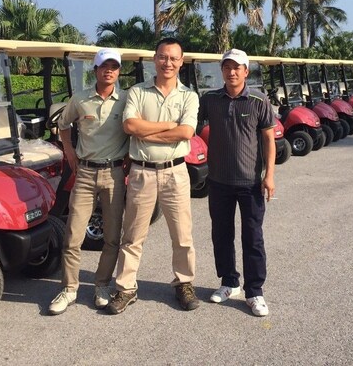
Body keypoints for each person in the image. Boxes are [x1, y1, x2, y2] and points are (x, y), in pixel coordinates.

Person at [106, 37, 200, 314]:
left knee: (182, 235)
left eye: (173, 58)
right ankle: (126, 288)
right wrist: (168, 127)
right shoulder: (137, 91)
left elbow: (186, 132)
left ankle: (184, 283)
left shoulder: (189, 96)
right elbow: (129, 126)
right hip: (141, 172)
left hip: (176, 172)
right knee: (133, 235)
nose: (167, 62)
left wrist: (148, 132)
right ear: (154, 59)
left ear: (181, 62)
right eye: (162, 56)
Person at [48, 48, 128, 315]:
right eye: (104, 66)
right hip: (85, 174)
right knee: (73, 235)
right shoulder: (80, 99)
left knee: (112, 236)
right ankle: (70, 289)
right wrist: (69, 151)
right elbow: (62, 125)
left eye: (114, 67)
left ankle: (102, 285)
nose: (109, 71)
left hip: (114, 174)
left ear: (118, 71)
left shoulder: (126, 100)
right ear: (95, 70)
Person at [198, 48, 276, 317]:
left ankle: (254, 291)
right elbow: (190, 124)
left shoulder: (258, 100)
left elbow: (268, 139)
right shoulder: (210, 100)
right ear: (221, 71)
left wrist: (270, 175)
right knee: (221, 235)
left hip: (250, 182)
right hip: (218, 181)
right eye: (227, 67)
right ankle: (229, 283)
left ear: (246, 71)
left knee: (253, 237)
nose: (231, 72)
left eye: (237, 67)